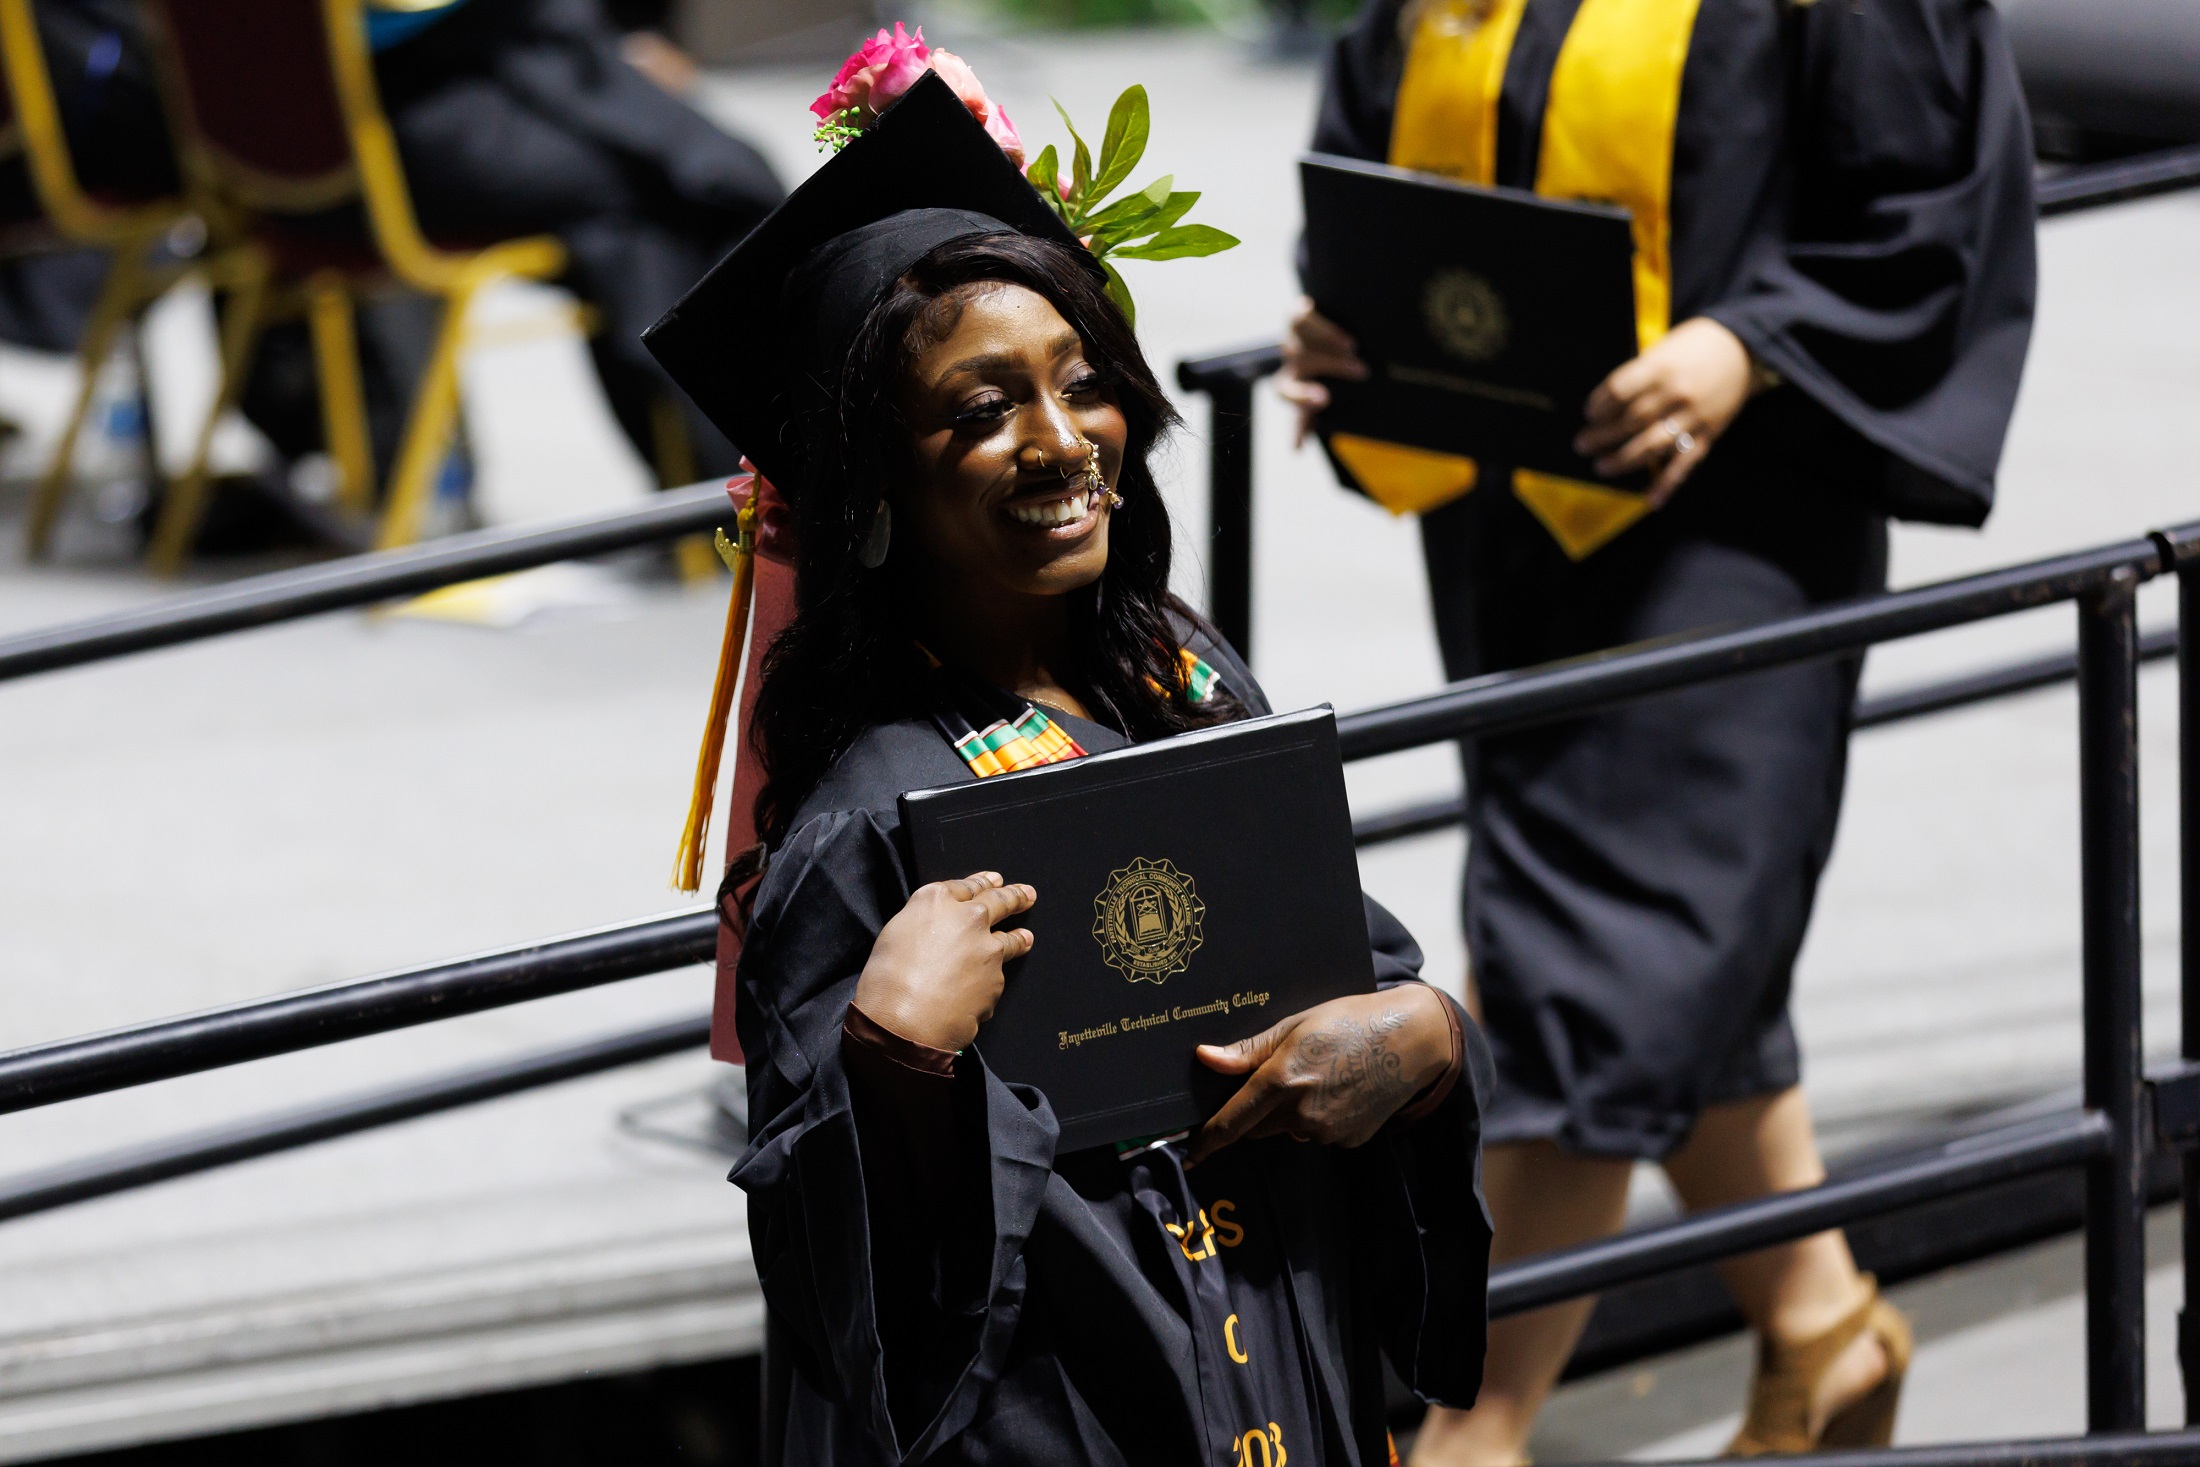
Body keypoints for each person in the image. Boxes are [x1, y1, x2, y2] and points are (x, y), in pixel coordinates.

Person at [643, 69, 1496, 1464]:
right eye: (982, 411)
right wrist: (898, 1060)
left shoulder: (1189, 690)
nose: (1060, 442)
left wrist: (1426, 1044)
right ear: (872, 487)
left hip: (1287, 1383)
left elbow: (1364, 978)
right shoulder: (867, 827)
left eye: (1082, 385)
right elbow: (835, 1301)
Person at [1279, 0, 2037, 1459]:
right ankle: (1823, 1330)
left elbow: (1929, 198)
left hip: (1733, 520)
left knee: (1589, 969)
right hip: (1508, 516)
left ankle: (1470, 1428)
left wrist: (1750, 345)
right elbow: (1377, 145)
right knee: (1682, 956)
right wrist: (1354, 309)